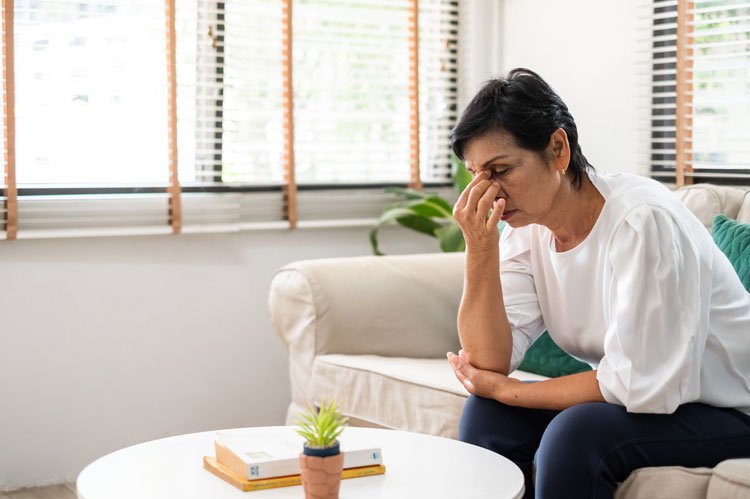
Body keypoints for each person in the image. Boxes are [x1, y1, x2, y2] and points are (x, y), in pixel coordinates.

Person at [445, 68, 750, 499]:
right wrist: (480, 248)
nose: (488, 192)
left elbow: (640, 383)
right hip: (653, 401)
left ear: (558, 149)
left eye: (500, 170)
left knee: (576, 435)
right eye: (477, 175)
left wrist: (512, 390)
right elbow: (487, 363)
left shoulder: (642, 223)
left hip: (728, 409)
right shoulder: (524, 229)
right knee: (487, 414)